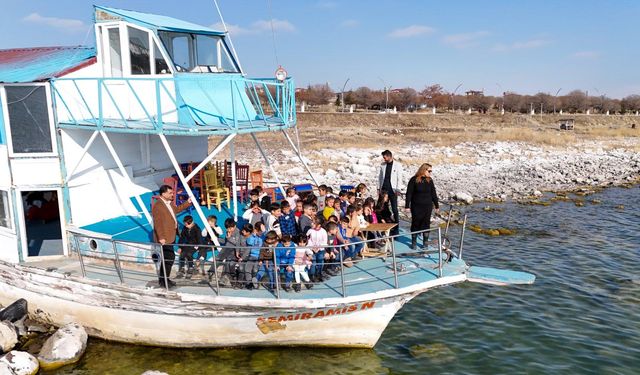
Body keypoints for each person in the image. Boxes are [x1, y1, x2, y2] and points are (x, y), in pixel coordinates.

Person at [152, 184, 192, 288]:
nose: (172, 194)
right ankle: (164, 280)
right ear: (163, 193)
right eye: (170, 193)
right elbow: (157, 223)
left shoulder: (169, 203)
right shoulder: (158, 206)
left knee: (167, 258)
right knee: (169, 257)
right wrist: (161, 237)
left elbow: (177, 210)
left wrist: (187, 203)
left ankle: (164, 280)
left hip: (171, 235)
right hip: (164, 238)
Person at [405, 163, 439, 250]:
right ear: (424, 170)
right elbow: (409, 193)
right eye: (429, 171)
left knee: (426, 223)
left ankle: (425, 243)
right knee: (415, 223)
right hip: (416, 206)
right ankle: (414, 242)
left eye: (431, 171)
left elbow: (433, 193)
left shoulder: (430, 180)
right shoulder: (414, 180)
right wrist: (407, 206)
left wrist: (436, 205)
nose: (430, 173)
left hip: (427, 206)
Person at [378, 150, 403, 235]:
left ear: (389, 156)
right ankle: (383, 226)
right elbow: (380, 177)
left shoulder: (398, 165)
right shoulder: (382, 165)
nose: (384, 159)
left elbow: (399, 178)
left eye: (385, 157)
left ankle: (396, 229)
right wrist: (379, 189)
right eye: (383, 157)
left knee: (395, 209)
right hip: (384, 189)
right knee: (382, 208)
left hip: (393, 190)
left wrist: (398, 189)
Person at [177, 215, 202, 279]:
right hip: (188, 244)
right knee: (182, 254)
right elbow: (182, 238)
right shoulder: (185, 228)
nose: (186, 226)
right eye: (185, 224)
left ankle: (191, 268)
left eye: (187, 225)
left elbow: (199, 241)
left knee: (189, 254)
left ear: (192, 222)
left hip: (195, 245)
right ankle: (182, 268)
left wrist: (197, 248)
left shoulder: (197, 229)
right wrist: (180, 247)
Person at [307, 216, 328, 282]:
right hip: (311, 250)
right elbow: (307, 241)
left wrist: (319, 248)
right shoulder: (310, 231)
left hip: (320, 250)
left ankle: (319, 274)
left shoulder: (323, 231)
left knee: (320, 261)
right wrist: (312, 248)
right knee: (313, 262)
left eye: (313, 223)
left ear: (319, 225)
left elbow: (324, 242)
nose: (311, 224)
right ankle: (312, 275)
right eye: (312, 222)